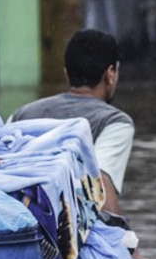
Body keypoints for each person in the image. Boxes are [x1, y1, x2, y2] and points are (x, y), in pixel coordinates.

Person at [9, 29, 134, 216]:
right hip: (69, 232)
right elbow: (99, 184)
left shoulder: (21, 114)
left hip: (18, 221)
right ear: (110, 74)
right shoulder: (115, 123)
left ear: (67, 73)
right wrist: (126, 241)